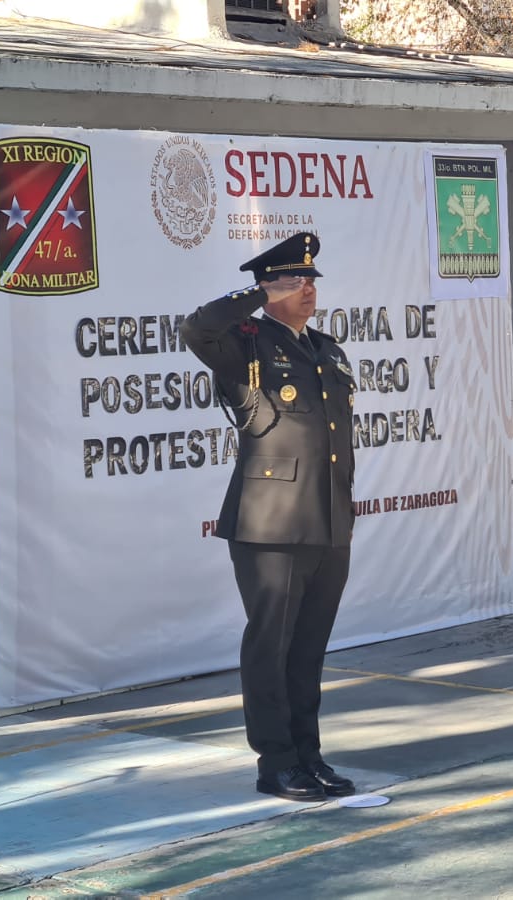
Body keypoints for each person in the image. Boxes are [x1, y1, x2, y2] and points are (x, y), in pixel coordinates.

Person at [181, 231, 359, 801]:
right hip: (270, 521)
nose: (306, 289)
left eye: (309, 280)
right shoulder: (244, 343)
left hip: (328, 519)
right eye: (293, 280)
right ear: (268, 287)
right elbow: (194, 329)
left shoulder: (327, 348)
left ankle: (309, 754)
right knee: (271, 644)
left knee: (309, 648)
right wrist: (255, 296)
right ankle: (275, 762)